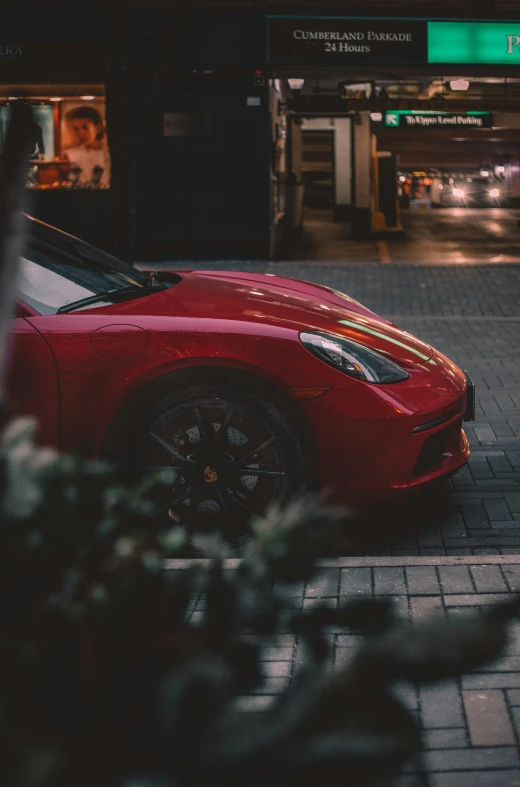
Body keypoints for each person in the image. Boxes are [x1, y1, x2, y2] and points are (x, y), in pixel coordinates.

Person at [63, 106, 110, 188]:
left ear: (98, 128)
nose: (81, 133)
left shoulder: (108, 153)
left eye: (85, 127)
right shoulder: (71, 155)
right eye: (76, 129)